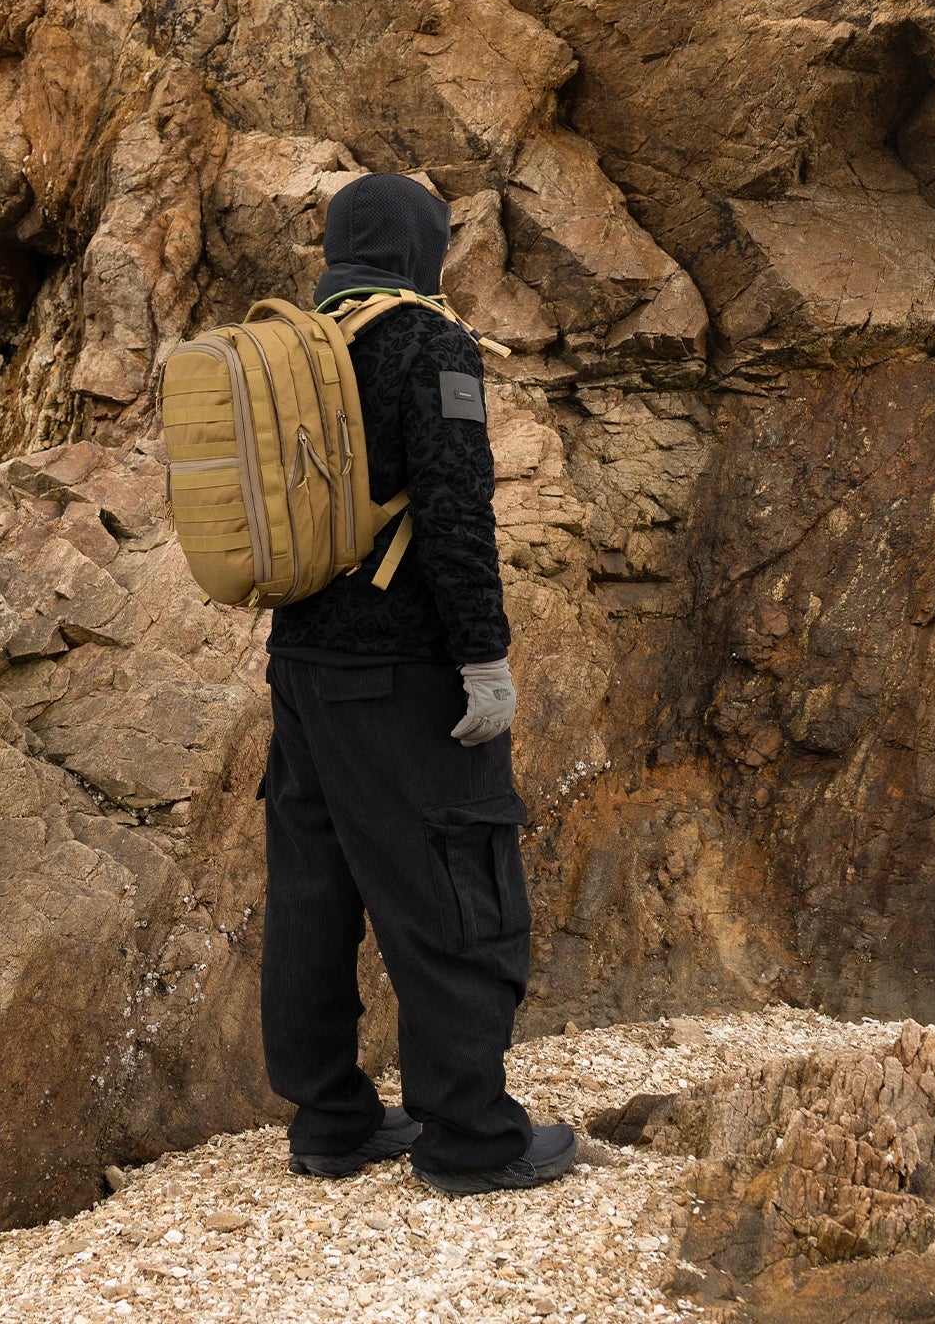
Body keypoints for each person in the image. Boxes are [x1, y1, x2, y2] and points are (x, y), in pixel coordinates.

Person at [258, 171, 578, 1196]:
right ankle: (472, 1137)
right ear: (419, 246)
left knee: (313, 889)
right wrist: (484, 658)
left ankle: (330, 1120)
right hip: (401, 673)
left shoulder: (300, 345)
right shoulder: (426, 342)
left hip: (302, 666)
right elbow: (454, 509)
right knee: (454, 879)